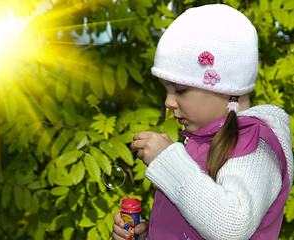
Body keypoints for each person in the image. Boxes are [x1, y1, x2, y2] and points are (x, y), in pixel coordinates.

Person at [112, 4, 293, 240]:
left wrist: (169, 162)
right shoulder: (204, 140)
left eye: (180, 90)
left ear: (228, 89)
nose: (168, 102)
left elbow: (231, 227)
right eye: (166, 90)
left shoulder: (254, 148)